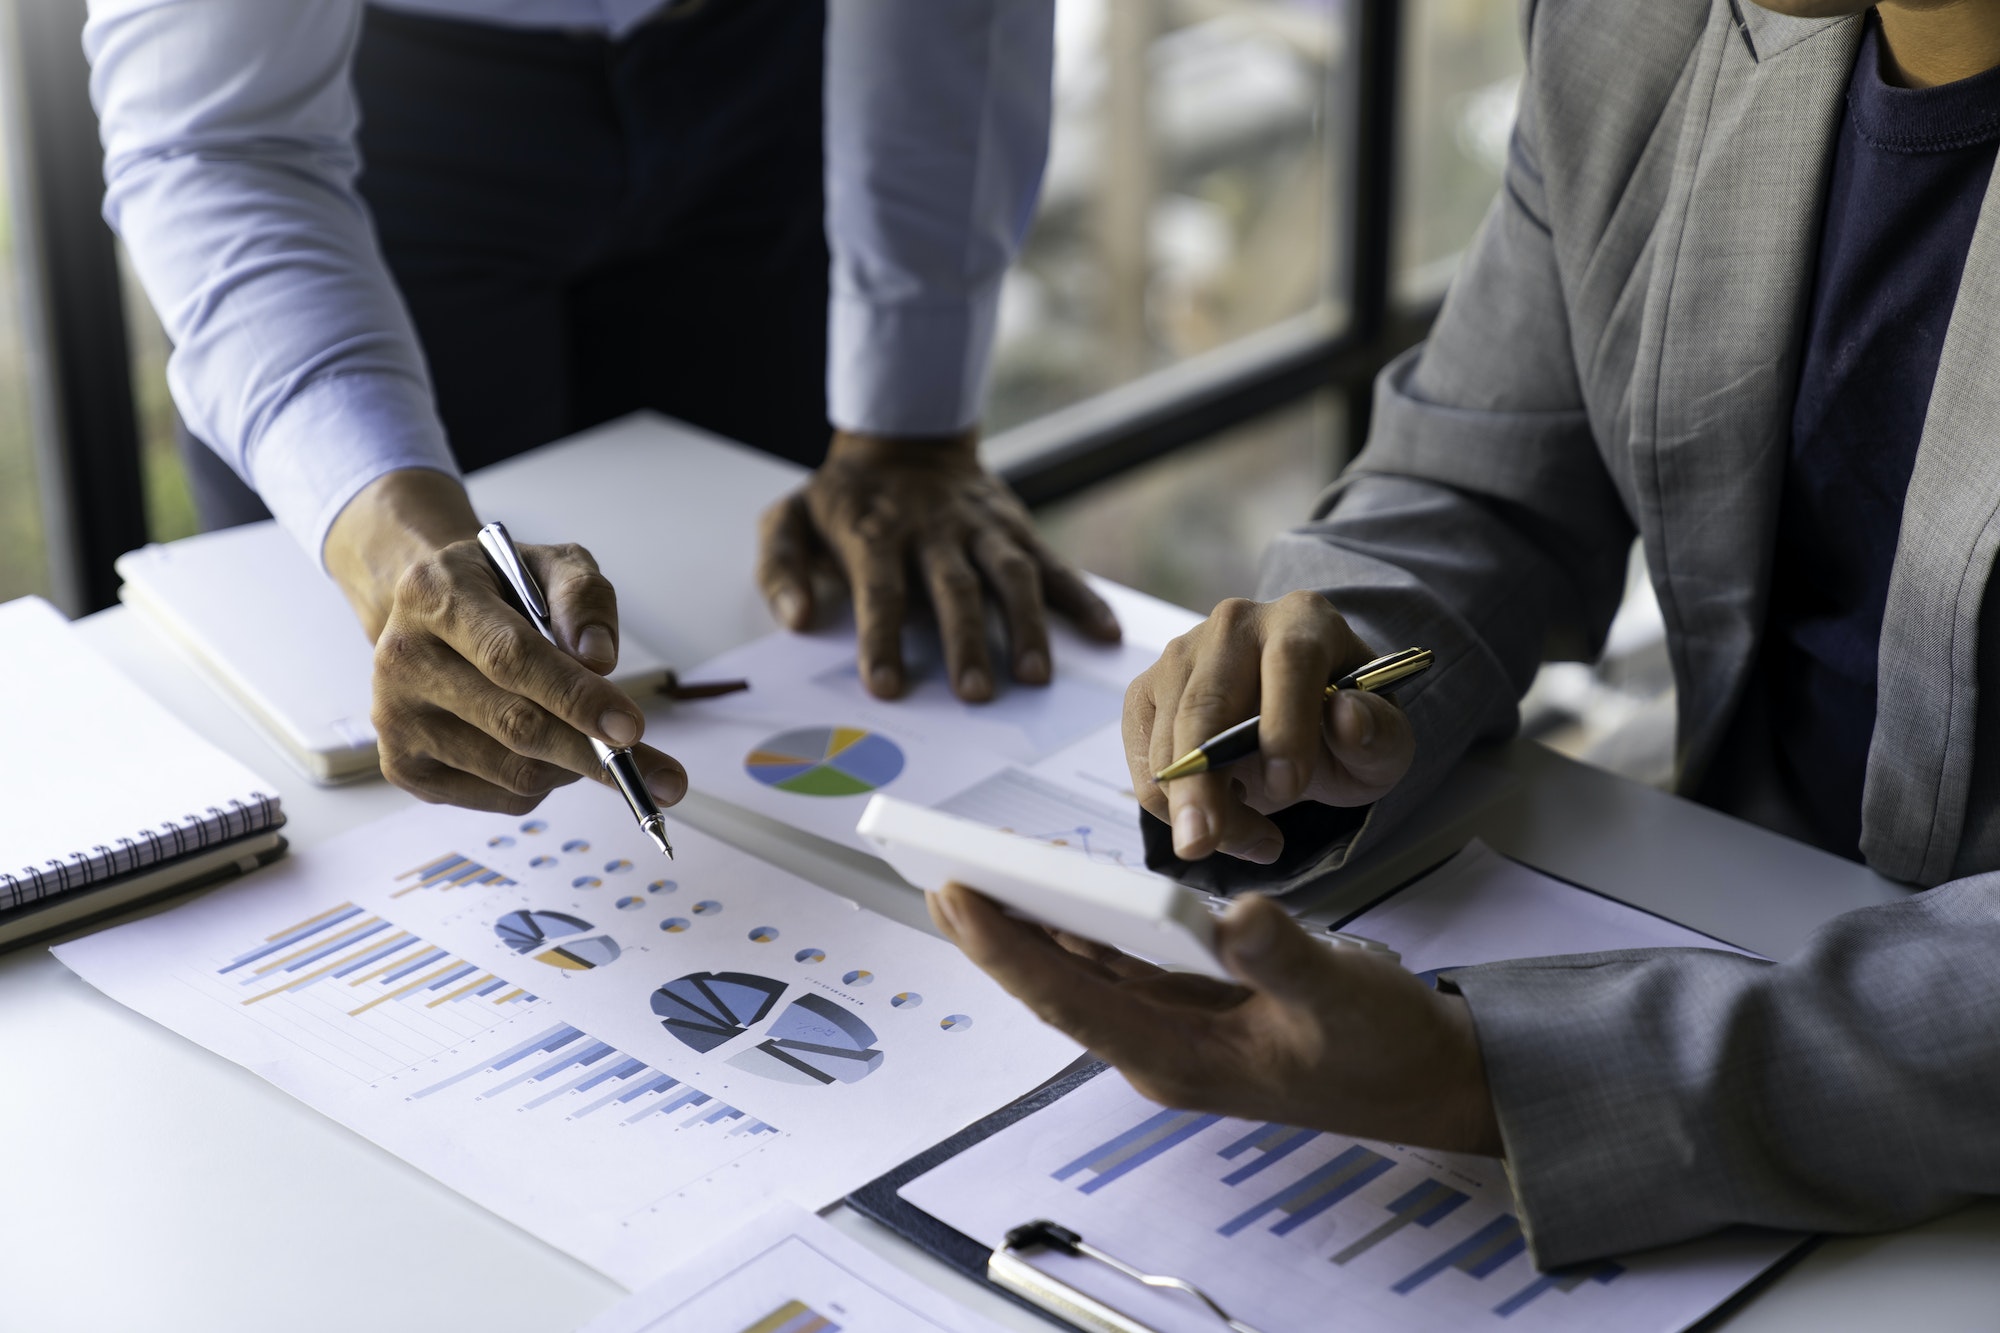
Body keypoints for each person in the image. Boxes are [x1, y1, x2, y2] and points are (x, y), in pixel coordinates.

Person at [933, 0, 2000, 1269]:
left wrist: (1487, 1074)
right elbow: (1478, 482)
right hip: (1702, 909)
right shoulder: (1641, 35)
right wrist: (1321, 684)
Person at [85, 0, 1119, 816]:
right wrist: (395, 546)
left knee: (764, 648)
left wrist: (912, 427)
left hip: (779, 70)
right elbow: (212, 144)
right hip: (369, 105)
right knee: (423, 736)